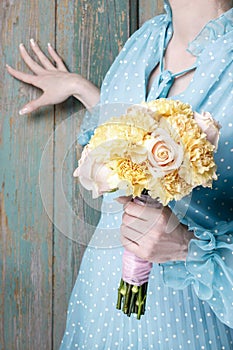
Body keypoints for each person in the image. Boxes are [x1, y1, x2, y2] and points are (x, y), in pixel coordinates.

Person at [6, 0, 233, 348]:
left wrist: (188, 248)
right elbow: (129, 135)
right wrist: (82, 89)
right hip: (100, 296)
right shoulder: (146, 39)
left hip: (186, 318)